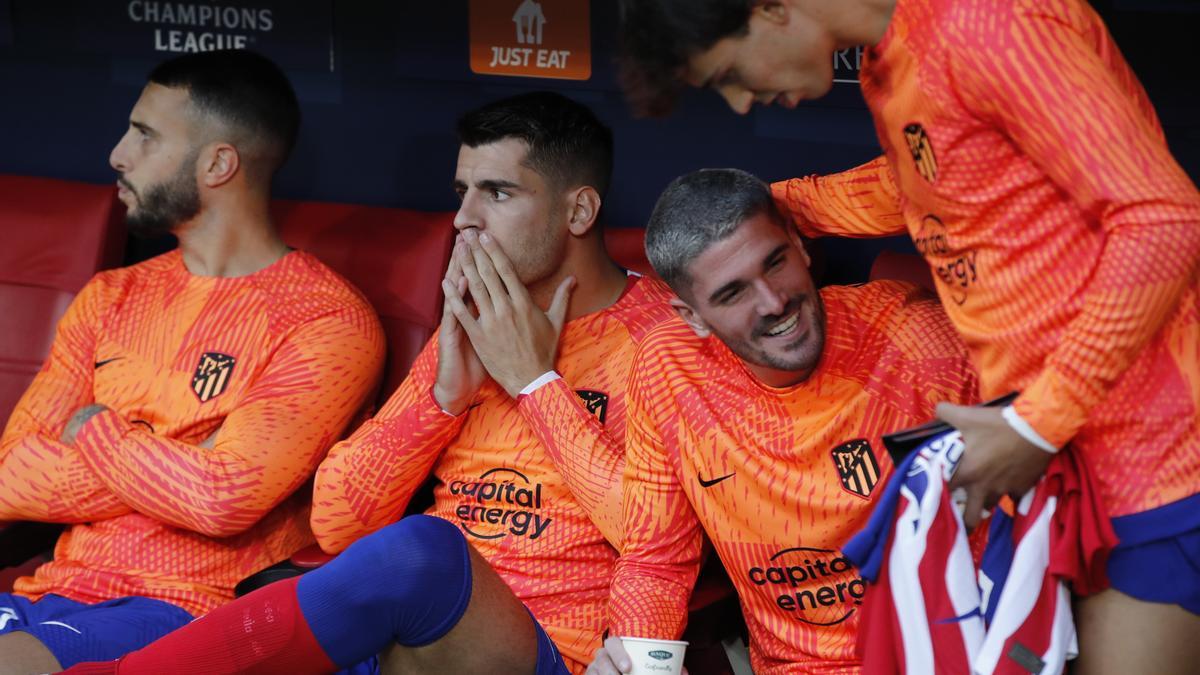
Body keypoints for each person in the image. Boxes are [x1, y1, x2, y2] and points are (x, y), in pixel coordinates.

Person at [617, 1, 1200, 672]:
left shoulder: (986, 22)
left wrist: (1037, 424)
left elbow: (1164, 219)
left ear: (771, 9)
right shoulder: (892, 61)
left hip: (1150, 451)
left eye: (727, 74)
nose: (742, 105)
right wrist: (753, 220)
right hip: (1069, 456)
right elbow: (935, 183)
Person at [62, 91, 676, 675]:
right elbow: (337, 522)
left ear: (579, 210)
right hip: (401, 639)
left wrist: (534, 383)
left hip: (547, 647)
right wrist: (441, 403)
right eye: (462, 192)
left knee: (426, 552)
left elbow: (656, 538)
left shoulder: (661, 341)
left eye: (498, 192)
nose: (464, 219)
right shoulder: (465, 328)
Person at [0, 50, 385, 674]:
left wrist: (96, 431)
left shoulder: (326, 319)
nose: (118, 155)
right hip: (54, 591)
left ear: (218, 163)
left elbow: (222, 501)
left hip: (188, 612)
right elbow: (12, 474)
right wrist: (181, 458)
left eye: (145, 136)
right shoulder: (110, 296)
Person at [587, 168, 978, 674]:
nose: (773, 302)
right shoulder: (669, 368)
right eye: (732, 294)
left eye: (776, 262)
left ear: (800, 244)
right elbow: (656, 559)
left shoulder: (915, 339)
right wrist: (641, 659)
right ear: (693, 317)